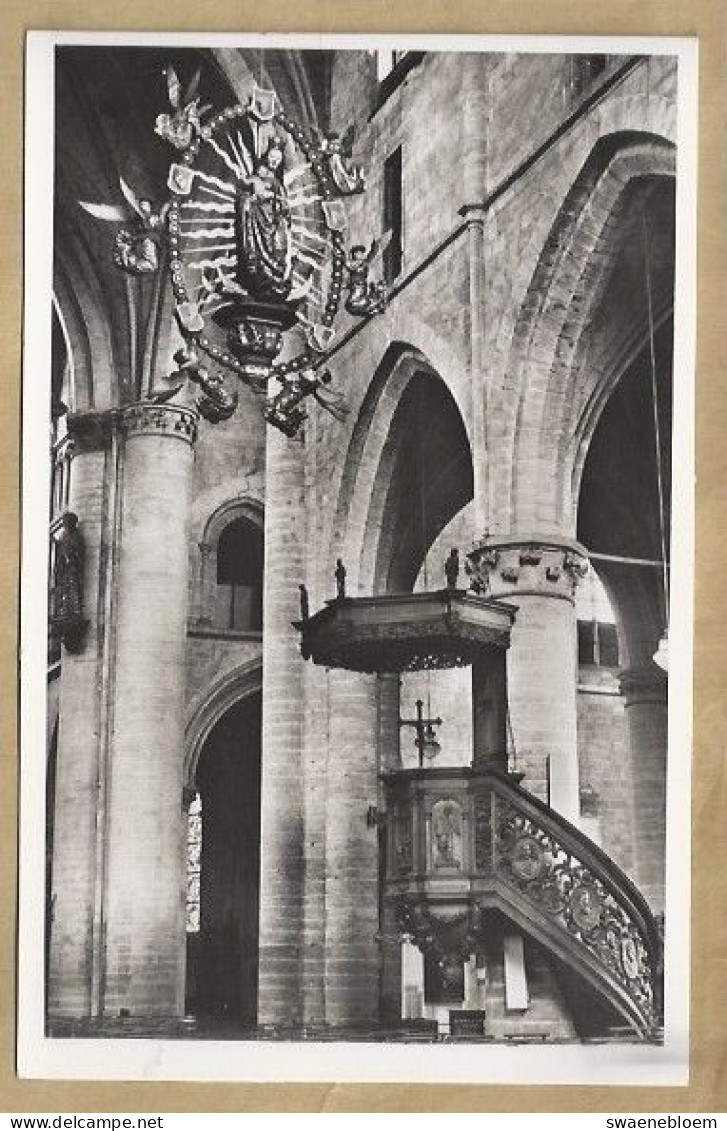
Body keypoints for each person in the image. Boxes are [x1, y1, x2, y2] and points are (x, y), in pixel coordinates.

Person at [234, 137, 292, 302]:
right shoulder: (254, 180)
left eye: (278, 159)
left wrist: (276, 201)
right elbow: (242, 191)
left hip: (273, 223)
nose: (274, 161)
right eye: (272, 157)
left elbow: (284, 205)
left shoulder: (277, 183)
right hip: (257, 221)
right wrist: (250, 200)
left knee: (277, 250)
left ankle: (275, 278)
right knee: (257, 251)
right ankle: (261, 277)